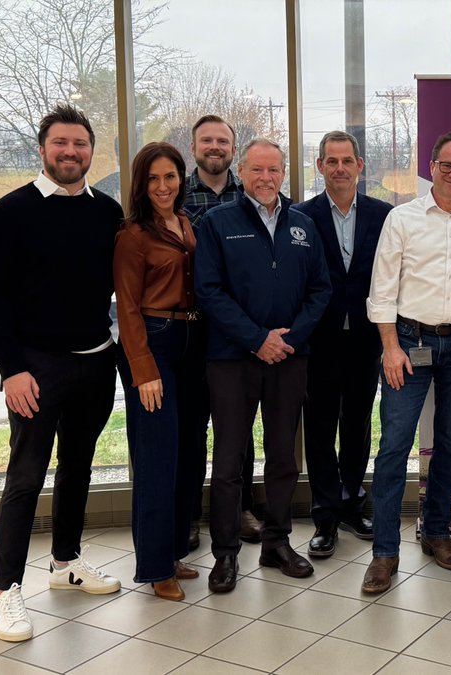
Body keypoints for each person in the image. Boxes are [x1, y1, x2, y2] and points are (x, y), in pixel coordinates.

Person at [0, 104, 123, 642]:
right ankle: (6, 592)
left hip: (94, 363)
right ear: (43, 149)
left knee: (79, 468)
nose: (70, 153)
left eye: (80, 144)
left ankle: (66, 563)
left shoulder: (107, 212)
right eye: (60, 143)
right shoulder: (9, 211)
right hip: (34, 370)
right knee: (25, 477)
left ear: (91, 151)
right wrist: (10, 370)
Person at [362, 130, 451, 594]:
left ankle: (437, 532)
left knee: (449, 441)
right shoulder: (402, 219)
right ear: (431, 166)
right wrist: (389, 346)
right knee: (394, 447)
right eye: (446, 165)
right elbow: (382, 288)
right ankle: (384, 553)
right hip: (407, 342)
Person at [195, 138, 332, 593]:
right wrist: (257, 340)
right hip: (233, 360)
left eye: (274, 170)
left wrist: (288, 339)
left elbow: (320, 291)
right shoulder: (218, 223)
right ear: (242, 171)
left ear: (284, 173)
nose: (266, 178)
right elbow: (209, 291)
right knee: (230, 458)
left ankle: (276, 543)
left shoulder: (303, 225)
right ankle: (226, 555)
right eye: (257, 170)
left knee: (282, 457)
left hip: (289, 359)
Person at [112, 142, 206, 601]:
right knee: (156, 458)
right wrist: (143, 369)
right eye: (153, 179)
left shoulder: (186, 223)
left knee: (189, 453)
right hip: (155, 343)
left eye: (170, 177)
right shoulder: (133, 235)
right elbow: (126, 308)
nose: (163, 186)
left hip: (192, 343)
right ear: (140, 185)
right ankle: (153, 568)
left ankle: (171, 553)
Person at [296, 131, 392, 558]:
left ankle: (353, 503)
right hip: (319, 341)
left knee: (357, 426)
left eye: (346, 161)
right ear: (319, 167)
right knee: (318, 430)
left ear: (360, 167)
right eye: (330, 161)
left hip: (367, 340)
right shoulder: (300, 217)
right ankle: (325, 516)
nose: (339, 168)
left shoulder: (385, 215)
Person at [181, 115, 260, 551]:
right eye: (207, 140)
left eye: (223, 141)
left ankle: (241, 509)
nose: (215, 147)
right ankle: (190, 514)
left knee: (239, 430)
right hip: (192, 332)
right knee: (194, 430)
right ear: (194, 147)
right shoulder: (177, 196)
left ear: (234, 149)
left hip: (239, 335)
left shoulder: (248, 195)